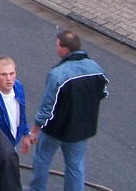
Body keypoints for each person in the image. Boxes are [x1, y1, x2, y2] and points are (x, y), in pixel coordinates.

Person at [26, 31, 108, 191]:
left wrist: (34, 131)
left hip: (56, 129)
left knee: (42, 158)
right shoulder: (97, 69)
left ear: (65, 49)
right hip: (81, 130)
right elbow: (102, 94)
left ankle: (37, 188)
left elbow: (46, 108)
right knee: (75, 165)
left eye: (57, 45)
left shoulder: (57, 74)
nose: (56, 48)